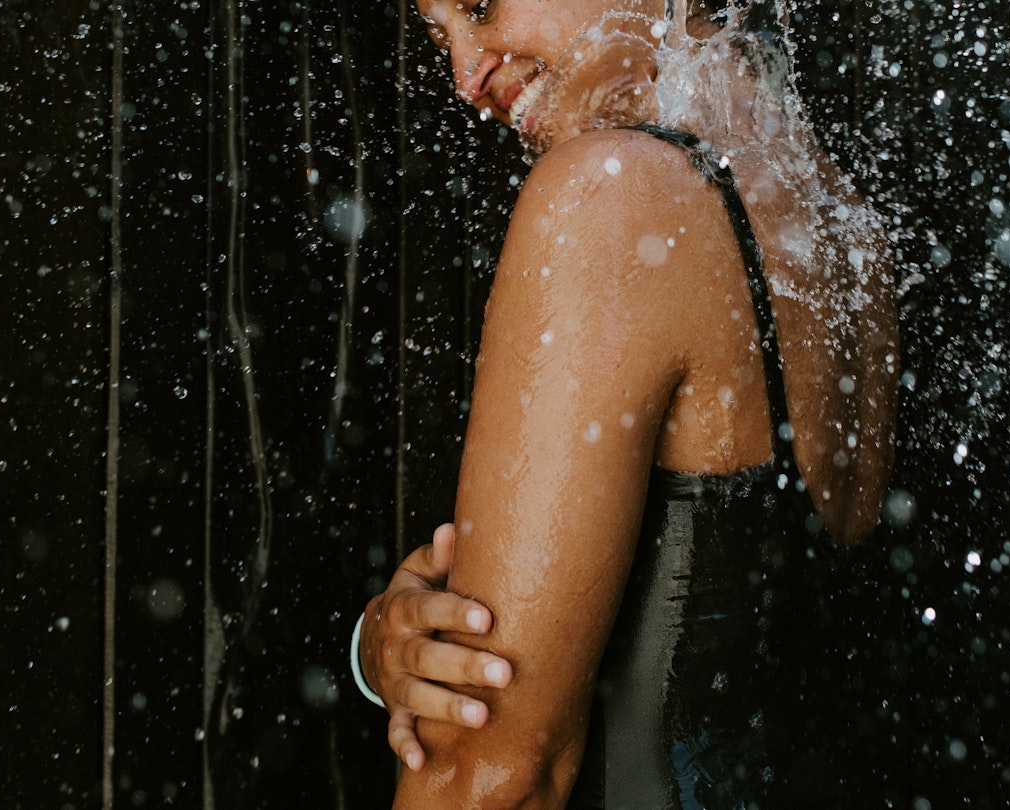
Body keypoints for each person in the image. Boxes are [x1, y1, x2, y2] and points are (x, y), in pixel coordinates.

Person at [355, 0, 898, 805]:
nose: (466, 77)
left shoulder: (612, 199)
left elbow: (495, 776)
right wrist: (379, 654)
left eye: (479, 7)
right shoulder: (835, 214)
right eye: (441, 38)